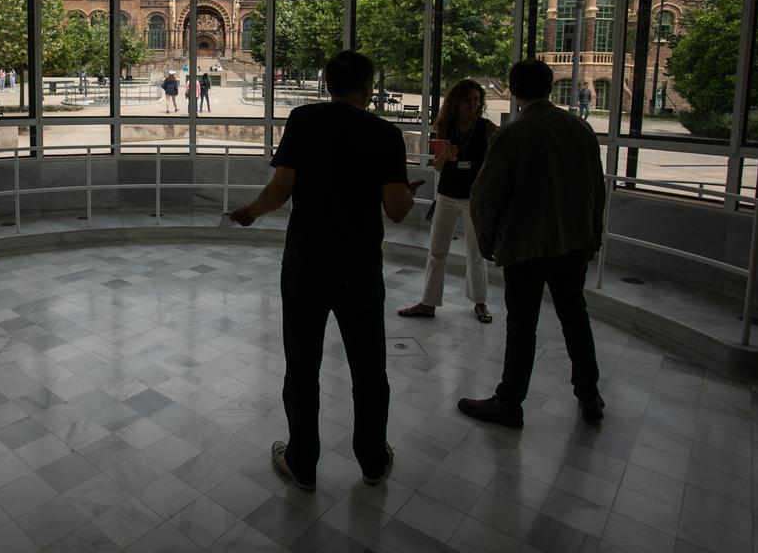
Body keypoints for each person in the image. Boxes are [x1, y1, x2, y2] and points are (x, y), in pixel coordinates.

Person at [230, 50, 424, 492]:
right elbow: (396, 210)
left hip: (306, 263)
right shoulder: (386, 134)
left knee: (302, 366)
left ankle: (302, 462)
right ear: (367, 88)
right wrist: (406, 195)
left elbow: (280, 191)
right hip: (358, 266)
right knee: (369, 367)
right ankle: (373, 460)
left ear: (326, 84)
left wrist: (250, 212)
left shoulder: (303, 120)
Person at [459, 59, 606, 429]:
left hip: (524, 247)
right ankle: (589, 394)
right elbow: (597, 189)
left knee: (522, 325)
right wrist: (593, 236)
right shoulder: (580, 128)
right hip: (571, 243)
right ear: (549, 88)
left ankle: (510, 401)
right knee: (575, 318)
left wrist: (488, 239)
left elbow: (485, 195)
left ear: (513, 89)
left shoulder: (513, 133)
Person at [398, 79, 496, 323]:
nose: (472, 104)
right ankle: (428, 302)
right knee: (437, 249)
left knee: (476, 252)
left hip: (474, 197)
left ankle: (480, 302)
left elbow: (495, 161)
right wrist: (443, 156)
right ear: (457, 102)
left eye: (476, 100)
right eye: (467, 100)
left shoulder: (486, 127)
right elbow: (438, 167)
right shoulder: (446, 126)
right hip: (448, 195)